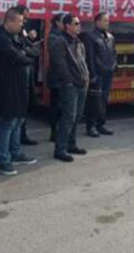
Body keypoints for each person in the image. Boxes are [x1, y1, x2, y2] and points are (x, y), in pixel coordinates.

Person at [0, 8, 38, 176]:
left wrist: (25, 53)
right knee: (8, 122)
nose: (22, 25)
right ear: (9, 21)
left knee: (18, 120)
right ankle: (3, 160)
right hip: (8, 85)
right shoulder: (1, 37)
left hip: (20, 85)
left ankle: (16, 152)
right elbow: (17, 57)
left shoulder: (17, 36)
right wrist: (25, 55)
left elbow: (33, 51)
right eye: (19, 21)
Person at [50, 14, 90, 162]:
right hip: (70, 85)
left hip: (81, 83)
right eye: (76, 23)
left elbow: (82, 61)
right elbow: (59, 64)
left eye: (79, 23)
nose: (79, 26)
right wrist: (69, 80)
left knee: (77, 116)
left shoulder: (78, 42)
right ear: (67, 26)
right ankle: (60, 149)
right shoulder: (60, 42)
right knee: (68, 117)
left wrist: (86, 77)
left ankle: (71, 144)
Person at [84, 12, 117, 137]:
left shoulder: (110, 37)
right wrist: (92, 74)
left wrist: (114, 66)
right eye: (104, 20)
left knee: (103, 100)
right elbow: (90, 57)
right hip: (97, 73)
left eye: (108, 20)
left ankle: (101, 124)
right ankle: (91, 126)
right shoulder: (91, 37)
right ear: (97, 22)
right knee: (94, 101)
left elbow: (114, 53)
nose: (107, 23)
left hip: (108, 72)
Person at [13, 5, 40, 146]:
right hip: (17, 78)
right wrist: (28, 52)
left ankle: (22, 135)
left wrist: (29, 48)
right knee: (14, 114)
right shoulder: (12, 35)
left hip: (27, 74)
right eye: (23, 18)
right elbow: (21, 52)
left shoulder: (23, 31)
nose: (25, 21)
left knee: (24, 108)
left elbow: (34, 50)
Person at [47, 13, 65, 142]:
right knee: (56, 105)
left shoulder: (63, 36)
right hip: (57, 77)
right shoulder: (54, 37)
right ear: (57, 23)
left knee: (63, 106)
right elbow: (57, 56)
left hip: (63, 77)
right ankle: (54, 131)